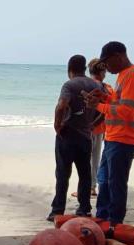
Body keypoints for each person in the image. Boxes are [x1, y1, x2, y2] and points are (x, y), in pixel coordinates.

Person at [83, 41, 134, 227]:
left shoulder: (133, 75)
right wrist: (104, 97)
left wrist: (98, 106)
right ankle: (102, 218)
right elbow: (118, 101)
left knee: (116, 182)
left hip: (125, 138)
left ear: (118, 57)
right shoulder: (123, 75)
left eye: (106, 62)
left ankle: (114, 222)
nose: (105, 67)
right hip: (113, 136)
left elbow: (126, 110)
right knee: (104, 179)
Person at [46, 55, 100, 222]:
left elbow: (61, 105)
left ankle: (57, 211)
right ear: (84, 68)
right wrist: (93, 124)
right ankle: (84, 209)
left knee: (63, 173)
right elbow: (104, 109)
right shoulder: (96, 85)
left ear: (70, 69)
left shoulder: (69, 85)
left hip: (67, 134)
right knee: (84, 174)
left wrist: (57, 125)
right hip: (85, 136)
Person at [71, 58, 113, 199]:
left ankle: (88, 188)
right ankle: (92, 187)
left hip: (88, 128)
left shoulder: (88, 85)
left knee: (85, 160)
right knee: (95, 159)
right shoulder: (107, 87)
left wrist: (90, 124)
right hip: (102, 128)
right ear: (103, 72)